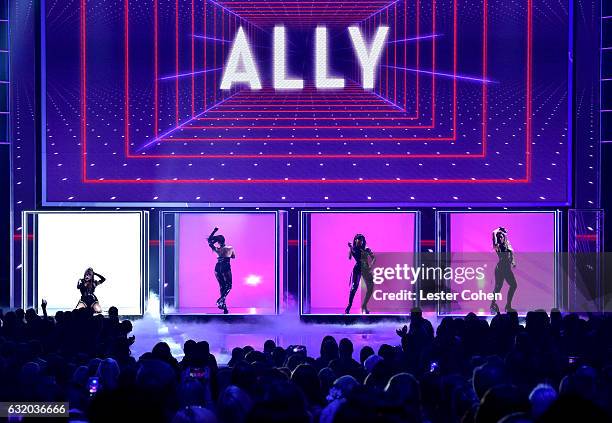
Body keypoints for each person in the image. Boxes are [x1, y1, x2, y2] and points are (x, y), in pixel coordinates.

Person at [345, 234, 375, 315]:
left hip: (365, 269)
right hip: (357, 269)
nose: (360, 241)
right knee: (354, 287)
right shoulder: (354, 248)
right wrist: (350, 248)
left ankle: (364, 306)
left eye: (361, 240)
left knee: (370, 287)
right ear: (355, 240)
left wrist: (370, 266)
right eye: (358, 240)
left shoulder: (366, 249)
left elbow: (373, 258)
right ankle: (349, 306)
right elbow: (350, 257)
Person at [490, 227, 518, 314]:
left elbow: (511, 254)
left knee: (512, 286)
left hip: (506, 268)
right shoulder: (498, 246)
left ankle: (507, 306)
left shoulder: (507, 245)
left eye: (502, 236)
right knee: (499, 287)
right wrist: (498, 229)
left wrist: (513, 261)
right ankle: (494, 305)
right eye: (499, 237)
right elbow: (493, 233)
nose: (501, 238)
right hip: (501, 268)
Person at [208, 228, 235, 314]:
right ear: (224, 240)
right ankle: (220, 300)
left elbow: (209, 241)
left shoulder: (216, 249)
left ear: (218, 242)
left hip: (217, 268)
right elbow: (233, 257)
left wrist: (214, 231)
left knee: (222, 287)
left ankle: (224, 307)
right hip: (225, 266)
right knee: (229, 286)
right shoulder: (230, 248)